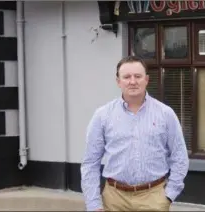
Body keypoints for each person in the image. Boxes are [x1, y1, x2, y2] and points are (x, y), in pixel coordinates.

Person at [80, 56, 190, 211]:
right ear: (118, 81)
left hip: (154, 198)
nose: (133, 81)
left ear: (146, 79)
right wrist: (93, 204)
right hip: (114, 200)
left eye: (138, 76)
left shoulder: (165, 114)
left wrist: (169, 195)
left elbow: (179, 157)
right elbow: (90, 162)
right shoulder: (102, 116)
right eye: (126, 77)